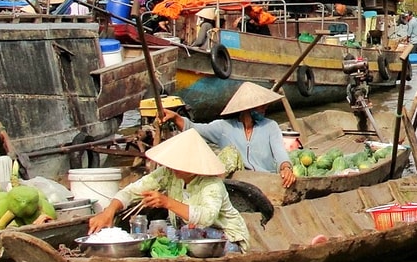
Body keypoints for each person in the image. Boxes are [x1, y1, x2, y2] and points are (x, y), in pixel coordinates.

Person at [87, 128, 251, 252]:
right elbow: (131, 191)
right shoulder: (168, 173)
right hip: (189, 235)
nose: (174, 168)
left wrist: (167, 202)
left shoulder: (212, 184)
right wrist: (109, 211)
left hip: (226, 238)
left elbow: (206, 218)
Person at [159, 82, 296, 188]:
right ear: (248, 109)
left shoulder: (270, 126)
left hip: (266, 180)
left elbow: (280, 152)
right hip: (237, 182)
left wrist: (286, 167)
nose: (265, 109)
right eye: (261, 106)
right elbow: (195, 129)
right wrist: (176, 118)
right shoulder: (224, 127)